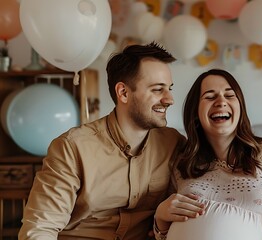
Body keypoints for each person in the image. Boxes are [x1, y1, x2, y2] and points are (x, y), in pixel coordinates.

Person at [18, 42, 202, 240]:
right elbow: (39, 228)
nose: (170, 99)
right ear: (123, 93)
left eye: (169, 88)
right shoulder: (72, 147)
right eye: (158, 90)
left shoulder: (173, 143)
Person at [153, 69, 262, 240]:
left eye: (229, 95)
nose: (221, 102)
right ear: (195, 112)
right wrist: (160, 218)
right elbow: (162, 235)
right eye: (210, 97)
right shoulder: (182, 166)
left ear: (240, 106)